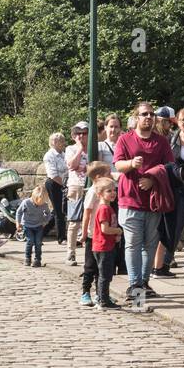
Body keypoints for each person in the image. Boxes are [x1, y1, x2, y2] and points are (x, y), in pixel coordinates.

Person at [113, 102, 175, 301]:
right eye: (144, 114)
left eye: (151, 114)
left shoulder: (161, 142)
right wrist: (131, 163)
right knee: (132, 244)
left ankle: (144, 283)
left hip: (153, 202)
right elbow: (118, 164)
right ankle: (135, 286)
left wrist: (153, 178)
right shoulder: (125, 139)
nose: (148, 117)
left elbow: (170, 166)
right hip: (129, 201)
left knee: (150, 245)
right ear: (136, 117)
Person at [153, 107, 184, 278]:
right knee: (175, 226)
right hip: (177, 188)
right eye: (182, 120)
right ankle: (165, 262)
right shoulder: (172, 139)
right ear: (177, 122)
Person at [78, 161, 114, 306]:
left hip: (102, 235)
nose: (111, 175)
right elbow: (86, 214)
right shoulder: (93, 193)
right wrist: (85, 232)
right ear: (98, 177)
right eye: (108, 173)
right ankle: (85, 292)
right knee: (90, 266)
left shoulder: (106, 192)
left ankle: (101, 294)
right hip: (93, 235)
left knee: (102, 267)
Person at [90, 177, 122, 308]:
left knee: (104, 273)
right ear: (100, 194)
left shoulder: (109, 208)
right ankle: (103, 300)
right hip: (103, 247)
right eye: (109, 191)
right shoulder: (104, 209)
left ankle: (102, 296)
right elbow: (105, 229)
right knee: (105, 274)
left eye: (114, 190)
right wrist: (118, 231)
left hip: (106, 245)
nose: (113, 193)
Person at [64, 122, 89, 265]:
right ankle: (70, 253)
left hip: (91, 186)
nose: (81, 136)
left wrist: (84, 167)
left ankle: (89, 255)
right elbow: (72, 165)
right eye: (78, 133)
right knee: (74, 222)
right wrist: (79, 149)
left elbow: (93, 167)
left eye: (84, 133)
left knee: (90, 222)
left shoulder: (94, 148)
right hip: (76, 186)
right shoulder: (70, 148)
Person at [43, 131, 68, 248]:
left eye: (61, 140)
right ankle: (61, 238)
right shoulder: (49, 155)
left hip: (64, 183)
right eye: (57, 140)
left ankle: (42, 232)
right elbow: (53, 174)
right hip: (54, 183)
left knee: (58, 211)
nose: (60, 142)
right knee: (59, 211)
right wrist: (64, 185)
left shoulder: (64, 154)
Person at [17, 183, 52, 268]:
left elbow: (48, 214)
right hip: (27, 225)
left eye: (43, 201)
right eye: (40, 201)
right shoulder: (26, 202)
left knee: (38, 243)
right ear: (34, 197)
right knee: (30, 241)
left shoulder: (44, 204)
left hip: (39, 225)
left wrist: (45, 221)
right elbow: (19, 212)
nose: (41, 203)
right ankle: (27, 258)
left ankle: (37, 259)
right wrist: (18, 224)